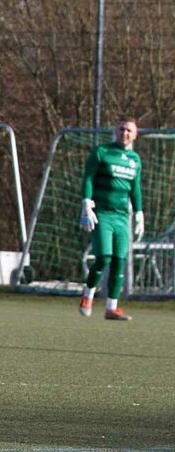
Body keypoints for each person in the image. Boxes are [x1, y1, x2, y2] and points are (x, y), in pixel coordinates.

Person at [78, 116, 144, 321]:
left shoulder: (135, 160)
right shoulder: (102, 152)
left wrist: (140, 213)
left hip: (122, 217)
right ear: (116, 131)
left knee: (118, 260)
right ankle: (88, 295)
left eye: (129, 130)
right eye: (122, 129)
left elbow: (135, 188)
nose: (125, 133)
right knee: (104, 257)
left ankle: (111, 308)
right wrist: (86, 204)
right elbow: (88, 177)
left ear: (135, 135)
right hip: (102, 214)